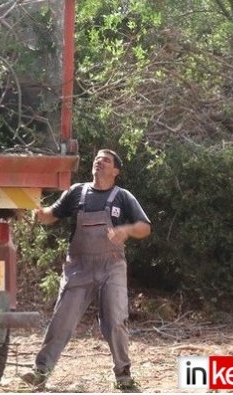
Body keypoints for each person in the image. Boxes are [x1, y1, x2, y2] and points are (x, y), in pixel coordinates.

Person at [23, 149, 151, 392]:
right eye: (96, 159)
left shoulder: (123, 197)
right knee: (62, 319)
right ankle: (41, 372)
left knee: (115, 320)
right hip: (78, 267)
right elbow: (51, 216)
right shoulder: (76, 192)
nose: (99, 162)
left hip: (111, 267)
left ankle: (123, 375)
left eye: (106, 160)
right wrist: (36, 212)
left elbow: (145, 227)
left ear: (116, 171)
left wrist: (126, 231)